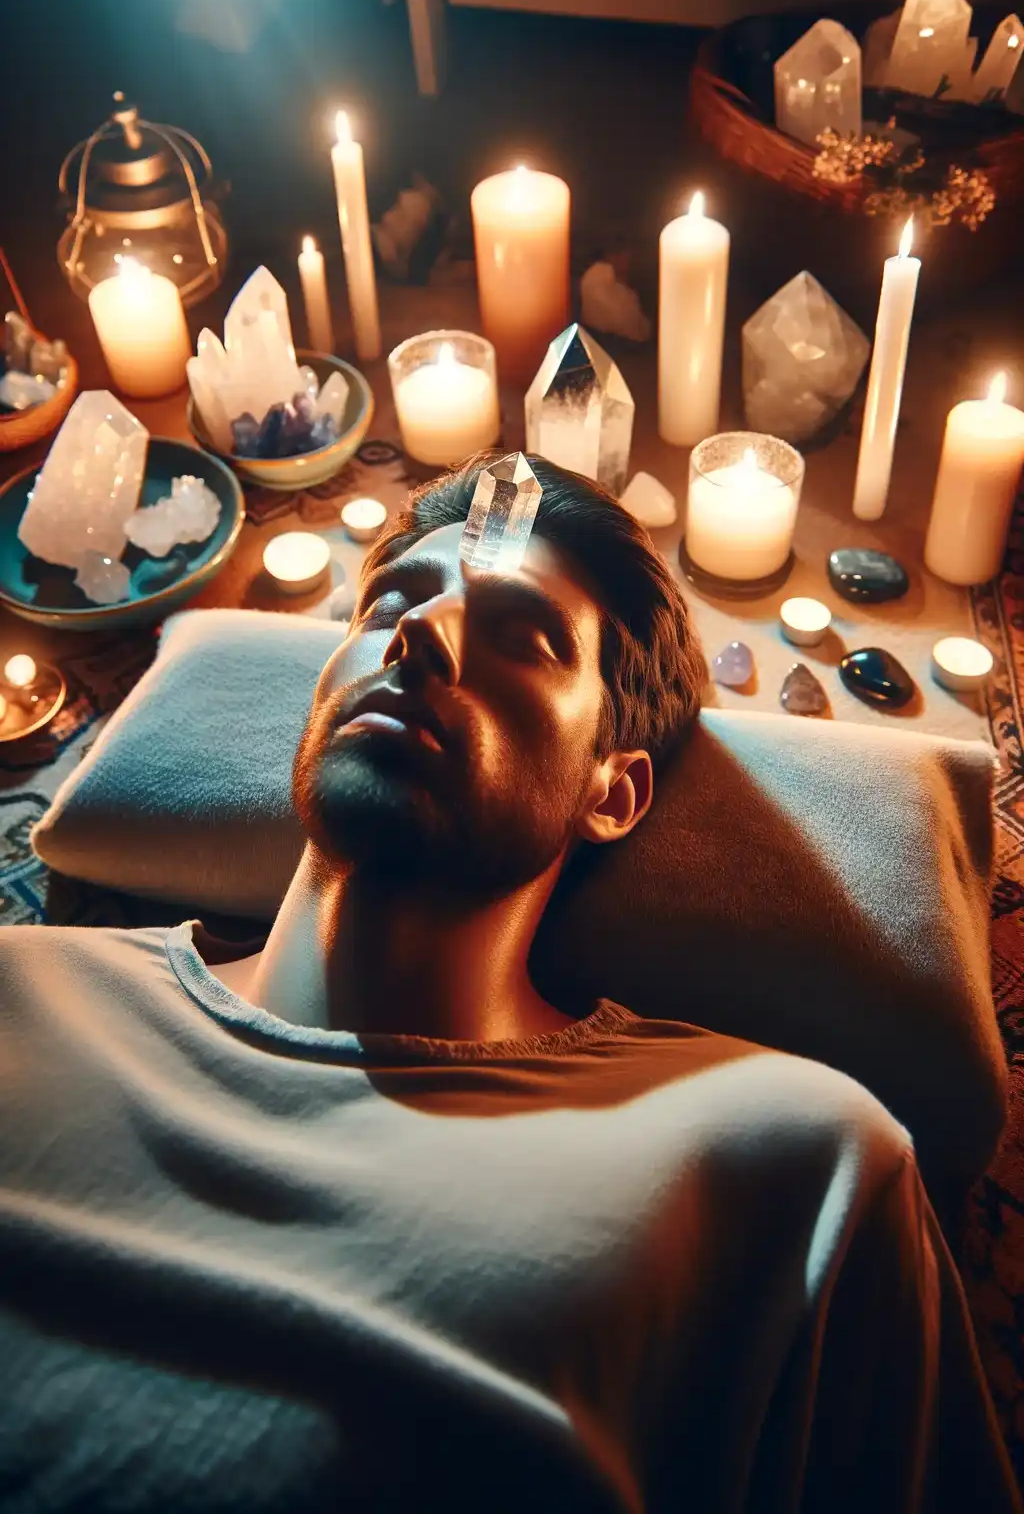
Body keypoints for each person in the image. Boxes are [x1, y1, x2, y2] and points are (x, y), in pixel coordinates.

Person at [0, 455, 1018, 1514]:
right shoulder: (21, 996)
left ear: (611, 791)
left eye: (523, 638)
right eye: (391, 601)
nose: (418, 634)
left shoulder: (787, 1164)